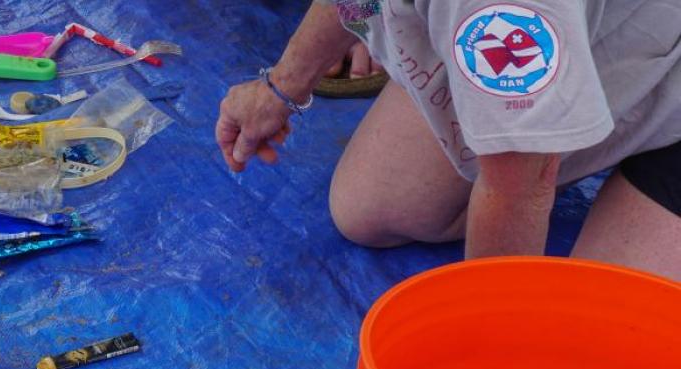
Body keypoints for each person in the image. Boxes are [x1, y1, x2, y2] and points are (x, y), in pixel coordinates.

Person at [216, 1, 681, 280]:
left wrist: (483, 337)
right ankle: (550, 104)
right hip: (582, 32)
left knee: (600, 340)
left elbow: (518, 185)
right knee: (370, 210)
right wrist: (281, 86)